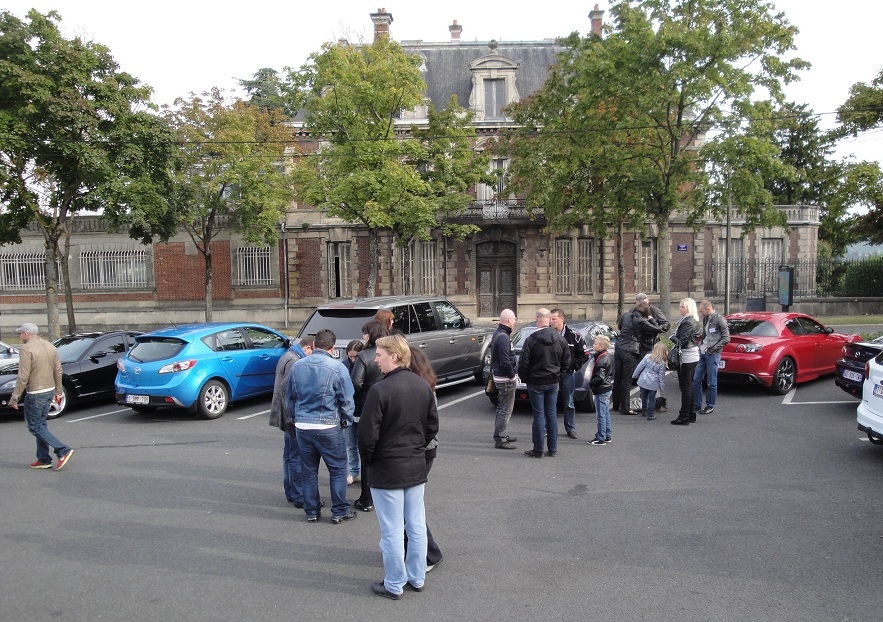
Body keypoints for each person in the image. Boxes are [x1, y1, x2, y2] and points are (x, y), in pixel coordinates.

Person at [359, 335, 439, 600]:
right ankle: (417, 577)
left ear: (394, 356)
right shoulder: (422, 385)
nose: (376, 359)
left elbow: (366, 436)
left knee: (392, 530)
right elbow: (432, 426)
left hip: (387, 469)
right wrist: (415, 448)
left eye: (379, 354)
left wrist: (370, 461)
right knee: (415, 525)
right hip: (414, 466)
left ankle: (394, 583)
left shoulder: (379, 390)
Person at [286, 329, 357, 524]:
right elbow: (347, 400)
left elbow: (289, 397)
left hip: (302, 424)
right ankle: (339, 511)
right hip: (328, 424)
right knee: (338, 469)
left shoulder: (297, 366)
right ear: (332, 348)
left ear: (314, 345)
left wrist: (295, 418)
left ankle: (312, 511)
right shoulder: (337, 367)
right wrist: (346, 421)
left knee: (308, 470)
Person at [9, 322, 74, 470]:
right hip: (49, 390)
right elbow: (58, 370)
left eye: (20, 333)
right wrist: (58, 391)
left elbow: (23, 376)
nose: (20, 336)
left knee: (34, 426)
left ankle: (62, 450)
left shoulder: (26, 349)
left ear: (26, 334)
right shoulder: (50, 346)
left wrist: (15, 397)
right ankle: (43, 459)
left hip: (35, 393)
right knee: (41, 424)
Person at [407, 346, 443, 572]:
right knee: (409, 505)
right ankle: (413, 550)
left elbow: (429, 425)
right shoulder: (425, 384)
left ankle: (430, 554)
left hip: (419, 450)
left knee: (410, 507)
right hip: (424, 449)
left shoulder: (419, 389)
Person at [517, 308, 571, 458]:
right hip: (553, 381)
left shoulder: (531, 340)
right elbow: (567, 361)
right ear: (549, 320)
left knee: (539, 415)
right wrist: (559, 375)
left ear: (537, 319)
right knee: (551, 414)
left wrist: (525, 378)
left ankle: (538, 449)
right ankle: (552, 449)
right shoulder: (560, 339)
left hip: (535, 382)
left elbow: (523, 363)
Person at [349, 320, 389, 511]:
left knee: (366, 451)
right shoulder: (390, 353)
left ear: (371, 334)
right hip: (388, 408)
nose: (363, 336)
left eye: (365, 333)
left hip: (365, 408)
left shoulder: (364, 356)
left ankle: (367, 498)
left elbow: (356, 383)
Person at [269, 336, 313, 506]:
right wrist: (293, 416)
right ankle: (298, 495)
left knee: (288, 455)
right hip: (290, 415)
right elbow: (290, 391)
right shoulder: (295, 361)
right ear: (308, 348)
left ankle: (291, 492)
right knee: (295, 456)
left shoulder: (288, 355)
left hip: (284, 412)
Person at [613, 300, 664, 415]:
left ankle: (616, 404)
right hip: (630, 349)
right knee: (627, 380)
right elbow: (657, 329)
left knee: (617, 378)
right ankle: (625, 408)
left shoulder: (626, 315)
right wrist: (651, 318)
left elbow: (620, 327)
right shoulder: (641, 321)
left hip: (619, 347)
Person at [550, 308, 590, 439]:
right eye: (550, 319)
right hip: (552, 374)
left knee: (568, 402)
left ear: (562, 319)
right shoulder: (547, 334)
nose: (551, 322)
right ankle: (548, 428)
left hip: (567, 374)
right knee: (550, 402)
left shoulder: (574, 335)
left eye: (554, 319)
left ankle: (570, 428)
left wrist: (574, 365)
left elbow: (584, 354)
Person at [692, 299, 730, 415]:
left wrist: (713, 349)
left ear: (708, 309)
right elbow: (706, 334)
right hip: (703, 352)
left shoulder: (719, 319)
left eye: (702, 311)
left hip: (713, 354)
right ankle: (697, 405)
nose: (700, 313)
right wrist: (700, 341)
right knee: (696, 380)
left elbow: (726, 338)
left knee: (711, 382)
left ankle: (710, 405)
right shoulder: (706, 318)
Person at [490, 309, 519, 450]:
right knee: (505, 409)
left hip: (500, 377)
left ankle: (499, 434)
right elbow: (505, 361)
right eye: (514, 319)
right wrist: (512, 375)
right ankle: (500, 438)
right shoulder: (503, 337)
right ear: (508, 320)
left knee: (501, 407)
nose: (515, 322)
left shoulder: (499, 334)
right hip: (505, 379)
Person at [672, 298, 702, 425]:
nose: (680, 308)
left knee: (685, 387)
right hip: (690, 355)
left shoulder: (688, 322)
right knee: (687, 386)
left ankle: (684, 416)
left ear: (689, 308)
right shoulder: (688, 320)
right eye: (680, 306)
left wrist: (673, 338)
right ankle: (690, 414)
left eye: (682, 307)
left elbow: (682, 341)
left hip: (688, 357)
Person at [342, 339, 364, 485]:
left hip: (362, 408)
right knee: (350, 444)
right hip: (350, 409)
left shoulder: (365, 364)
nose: (353, 359)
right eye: (350, 356)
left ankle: (365, 472)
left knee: (364, 445)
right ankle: (354, 472)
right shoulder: (344, 365)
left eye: (355, 356)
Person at [588, 335, 614, 446]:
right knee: (605, 413)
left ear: (601, 346)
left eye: (595, 343)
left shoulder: (601, 359)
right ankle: (607, 435)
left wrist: (590, 383)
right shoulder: (606, 356)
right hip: (607, 387)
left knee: (601, 415)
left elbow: (600, 377)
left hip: (601, 389)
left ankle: (600, 437)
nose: (593, 345)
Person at [633, 341, 668, 420]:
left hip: (644, 379)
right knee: (652, 398)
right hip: (654, 382)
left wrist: (635, 375)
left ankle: (644, 411)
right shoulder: (662, 363)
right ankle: (650, 414)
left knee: (644, 396)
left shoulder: (647, 357)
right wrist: (662, 386)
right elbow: (661, 376)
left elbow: (640, 366)